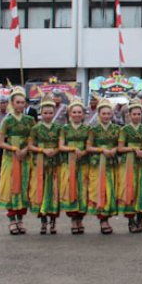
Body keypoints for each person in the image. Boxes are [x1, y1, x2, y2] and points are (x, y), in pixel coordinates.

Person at [0, 87, 35, 235]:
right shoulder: (8, 120)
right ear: (12, 103)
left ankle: (20, 219)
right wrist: (14, 148)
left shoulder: (29, 120)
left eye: (22, 102)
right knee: (11, 187)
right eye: (17, 102)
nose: (20, 105)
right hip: (10, 158)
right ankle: (12, 220)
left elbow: (33, 139)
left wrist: (26, 149)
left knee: (24, 186)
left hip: (25, 157)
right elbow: (0, 142)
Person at [28, 95, 63, 235]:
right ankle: (43, 221)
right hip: (40, 162)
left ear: (54, 113)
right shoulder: (36, 128)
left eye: (50, 113)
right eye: (45, 113)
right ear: (41, 113)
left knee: (54, 191)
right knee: (40, 190)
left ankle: (53, 221)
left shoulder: (58, 128)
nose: (48, 115)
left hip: (55, 162)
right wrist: (42, 150)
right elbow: (30, 145)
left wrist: (54, 150)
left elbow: (62, 144)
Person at [86, 98, 120, 235]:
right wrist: (102, 150)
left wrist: (115, 149)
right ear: (99, 114)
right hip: (97, 164)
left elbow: (121, 145)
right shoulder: (93, 129)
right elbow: (88, 147)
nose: (106, 116)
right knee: (99, 191)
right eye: (103, 114)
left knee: (110, 190)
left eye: (108, 113)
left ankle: (106, 218)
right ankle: (103, 220)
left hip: (111, 164)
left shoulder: (117, 129)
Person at [117, 97, 142, 233]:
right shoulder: (124, 130)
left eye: (139, 114)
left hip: (141, 163)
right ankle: (131, 222)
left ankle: (140, 221)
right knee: (130, 191)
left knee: (141, 191)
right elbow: (120, 148)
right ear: (129, 115)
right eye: (134, 114)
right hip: (128, 164)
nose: (136, 116)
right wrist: (133, 149)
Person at [59, 97, 89, 234]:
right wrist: (72, 149)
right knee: (70, 190)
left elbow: (90, 146)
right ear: (70, 113)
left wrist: (84, 152)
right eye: (74, 112)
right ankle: (73, 220)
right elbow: (60, 146)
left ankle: (80, 219)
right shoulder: (64, 129)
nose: (77, 115)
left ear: (83, 114)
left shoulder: (87, 129)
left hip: (83, 163)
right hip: (68, 164)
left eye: (79, 112)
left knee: (82, 191)